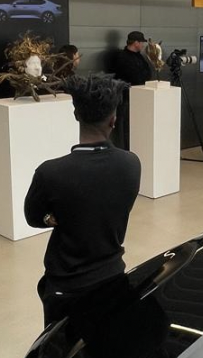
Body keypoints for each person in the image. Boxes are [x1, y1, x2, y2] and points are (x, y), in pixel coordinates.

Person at [24, 75, 142, 328]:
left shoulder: (50, 172)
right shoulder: (131, 164)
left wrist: (51, 217)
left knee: (58, 350)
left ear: (76, 114)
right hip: (112, 274)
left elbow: (32, 217)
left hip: (66, 283)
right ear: (113, 119)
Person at [111, 31, 153, 148]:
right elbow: (135, 77)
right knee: (126, 128)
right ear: (136, 43)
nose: (143, 45)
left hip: (139, 98)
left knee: (136, 126)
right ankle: (126, 151)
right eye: (141, 42)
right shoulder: (122, 57)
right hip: (126, 99)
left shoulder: (139, 56)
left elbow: (148, 73)